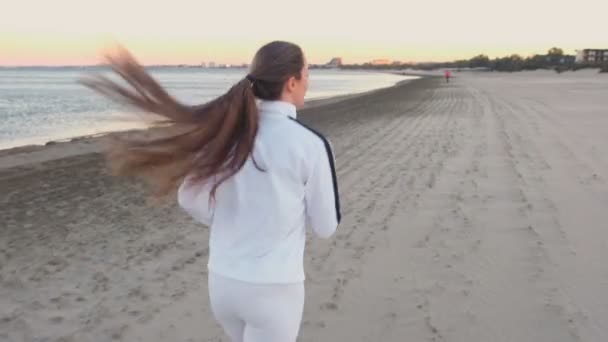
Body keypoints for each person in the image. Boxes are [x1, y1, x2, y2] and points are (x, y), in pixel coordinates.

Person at [80, 40, 341, 342]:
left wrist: (232, 217)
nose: (309, 81)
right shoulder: (311, 144)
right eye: (307, 73)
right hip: (273, 289)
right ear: (292, 82)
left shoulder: (228, 133)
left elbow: (189, 197)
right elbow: (326, 227)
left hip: (223, 282)